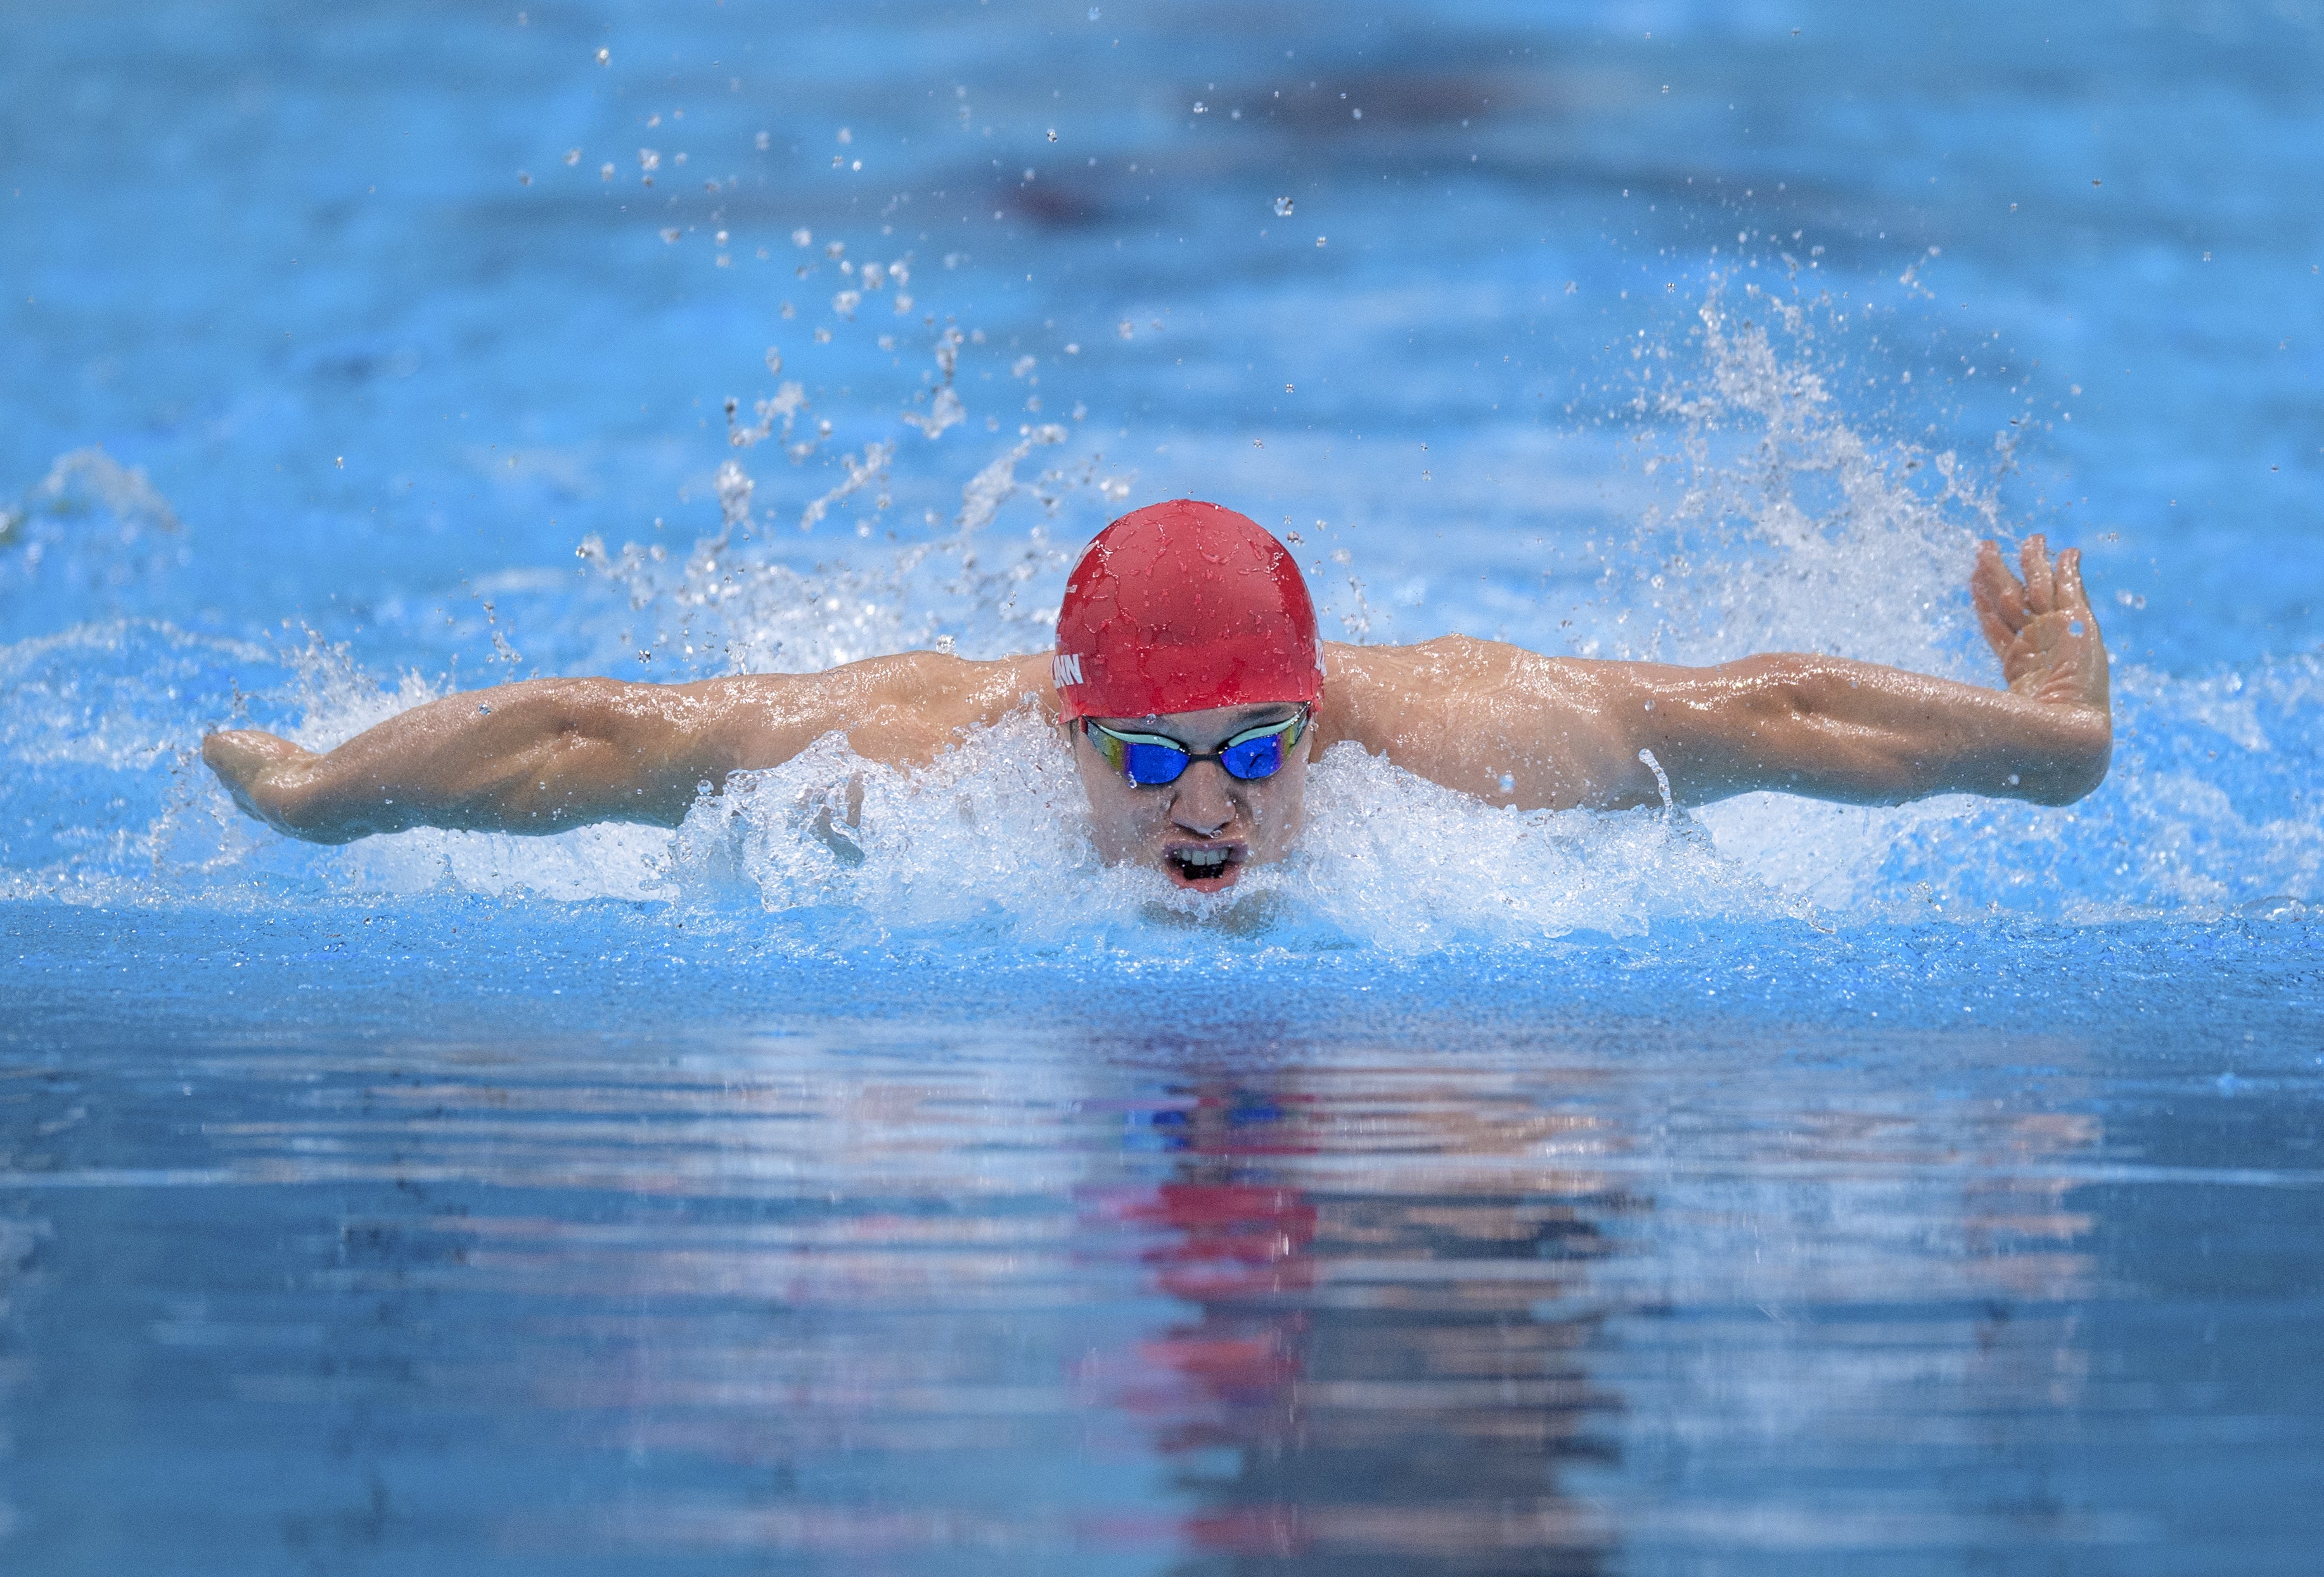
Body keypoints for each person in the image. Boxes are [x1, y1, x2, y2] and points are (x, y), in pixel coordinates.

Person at [202, 499, 2112, 894]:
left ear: (1315, 721)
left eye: (1256, 749)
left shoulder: (1466, 740)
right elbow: (604, 736)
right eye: (1153, 758)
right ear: (1068, 733)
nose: (1208, 806)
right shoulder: (921, 753)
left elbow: (1764, 715)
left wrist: (2049, 733)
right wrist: (318, 796)